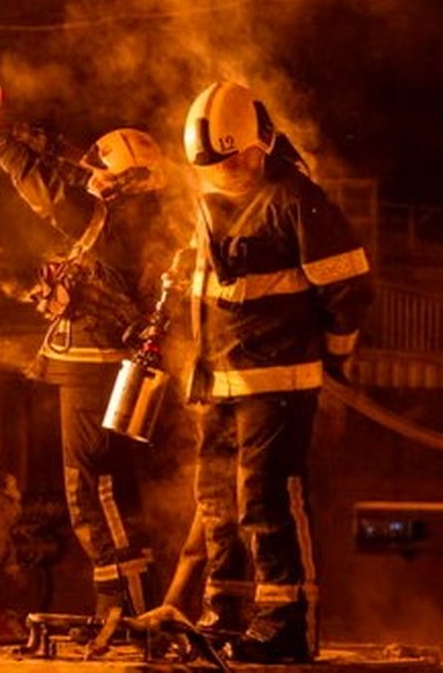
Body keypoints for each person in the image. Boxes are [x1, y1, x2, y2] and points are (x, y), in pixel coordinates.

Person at [179, 81, 372, 663]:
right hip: (219, 378)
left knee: (265, 498)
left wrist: (337, 352)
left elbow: (349, 285)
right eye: (213, 165)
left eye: (231, 160)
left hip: (279, 383)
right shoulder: (210, 201)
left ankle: (286, 620)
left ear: (257, 146)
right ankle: (227, 611)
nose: (223, 172)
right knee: (216, 499)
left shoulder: (296, 199)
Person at [0, 114, 178, 619]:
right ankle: (123, 608)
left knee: (96, 492)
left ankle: (131, 614)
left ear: (122, 180)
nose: (94, 176)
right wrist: (46, 140)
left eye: (103, 171)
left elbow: (52, 197)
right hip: (104, 369)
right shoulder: (139, 218)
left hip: (96, 372)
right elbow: (76, 184)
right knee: (109, 493)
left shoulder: (115, 223)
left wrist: (3, 145)